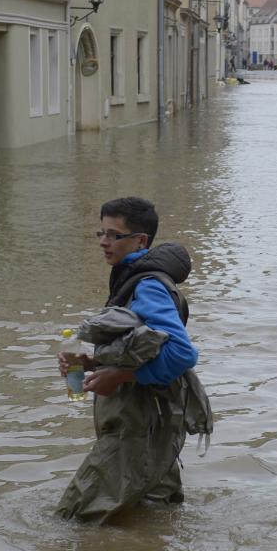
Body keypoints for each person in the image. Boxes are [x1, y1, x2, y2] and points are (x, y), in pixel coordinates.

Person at [56, 197, 203, 524]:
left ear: (141, 241)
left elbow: (181, 353)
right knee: (157, 517)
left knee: (74, 521)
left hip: (137, 430)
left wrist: (120, 377)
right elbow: (141, 347)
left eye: (114, 235)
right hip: (153, 428)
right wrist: (93, 365)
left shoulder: (147, 285)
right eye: (101, 233)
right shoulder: (132, 279)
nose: (105, 242)